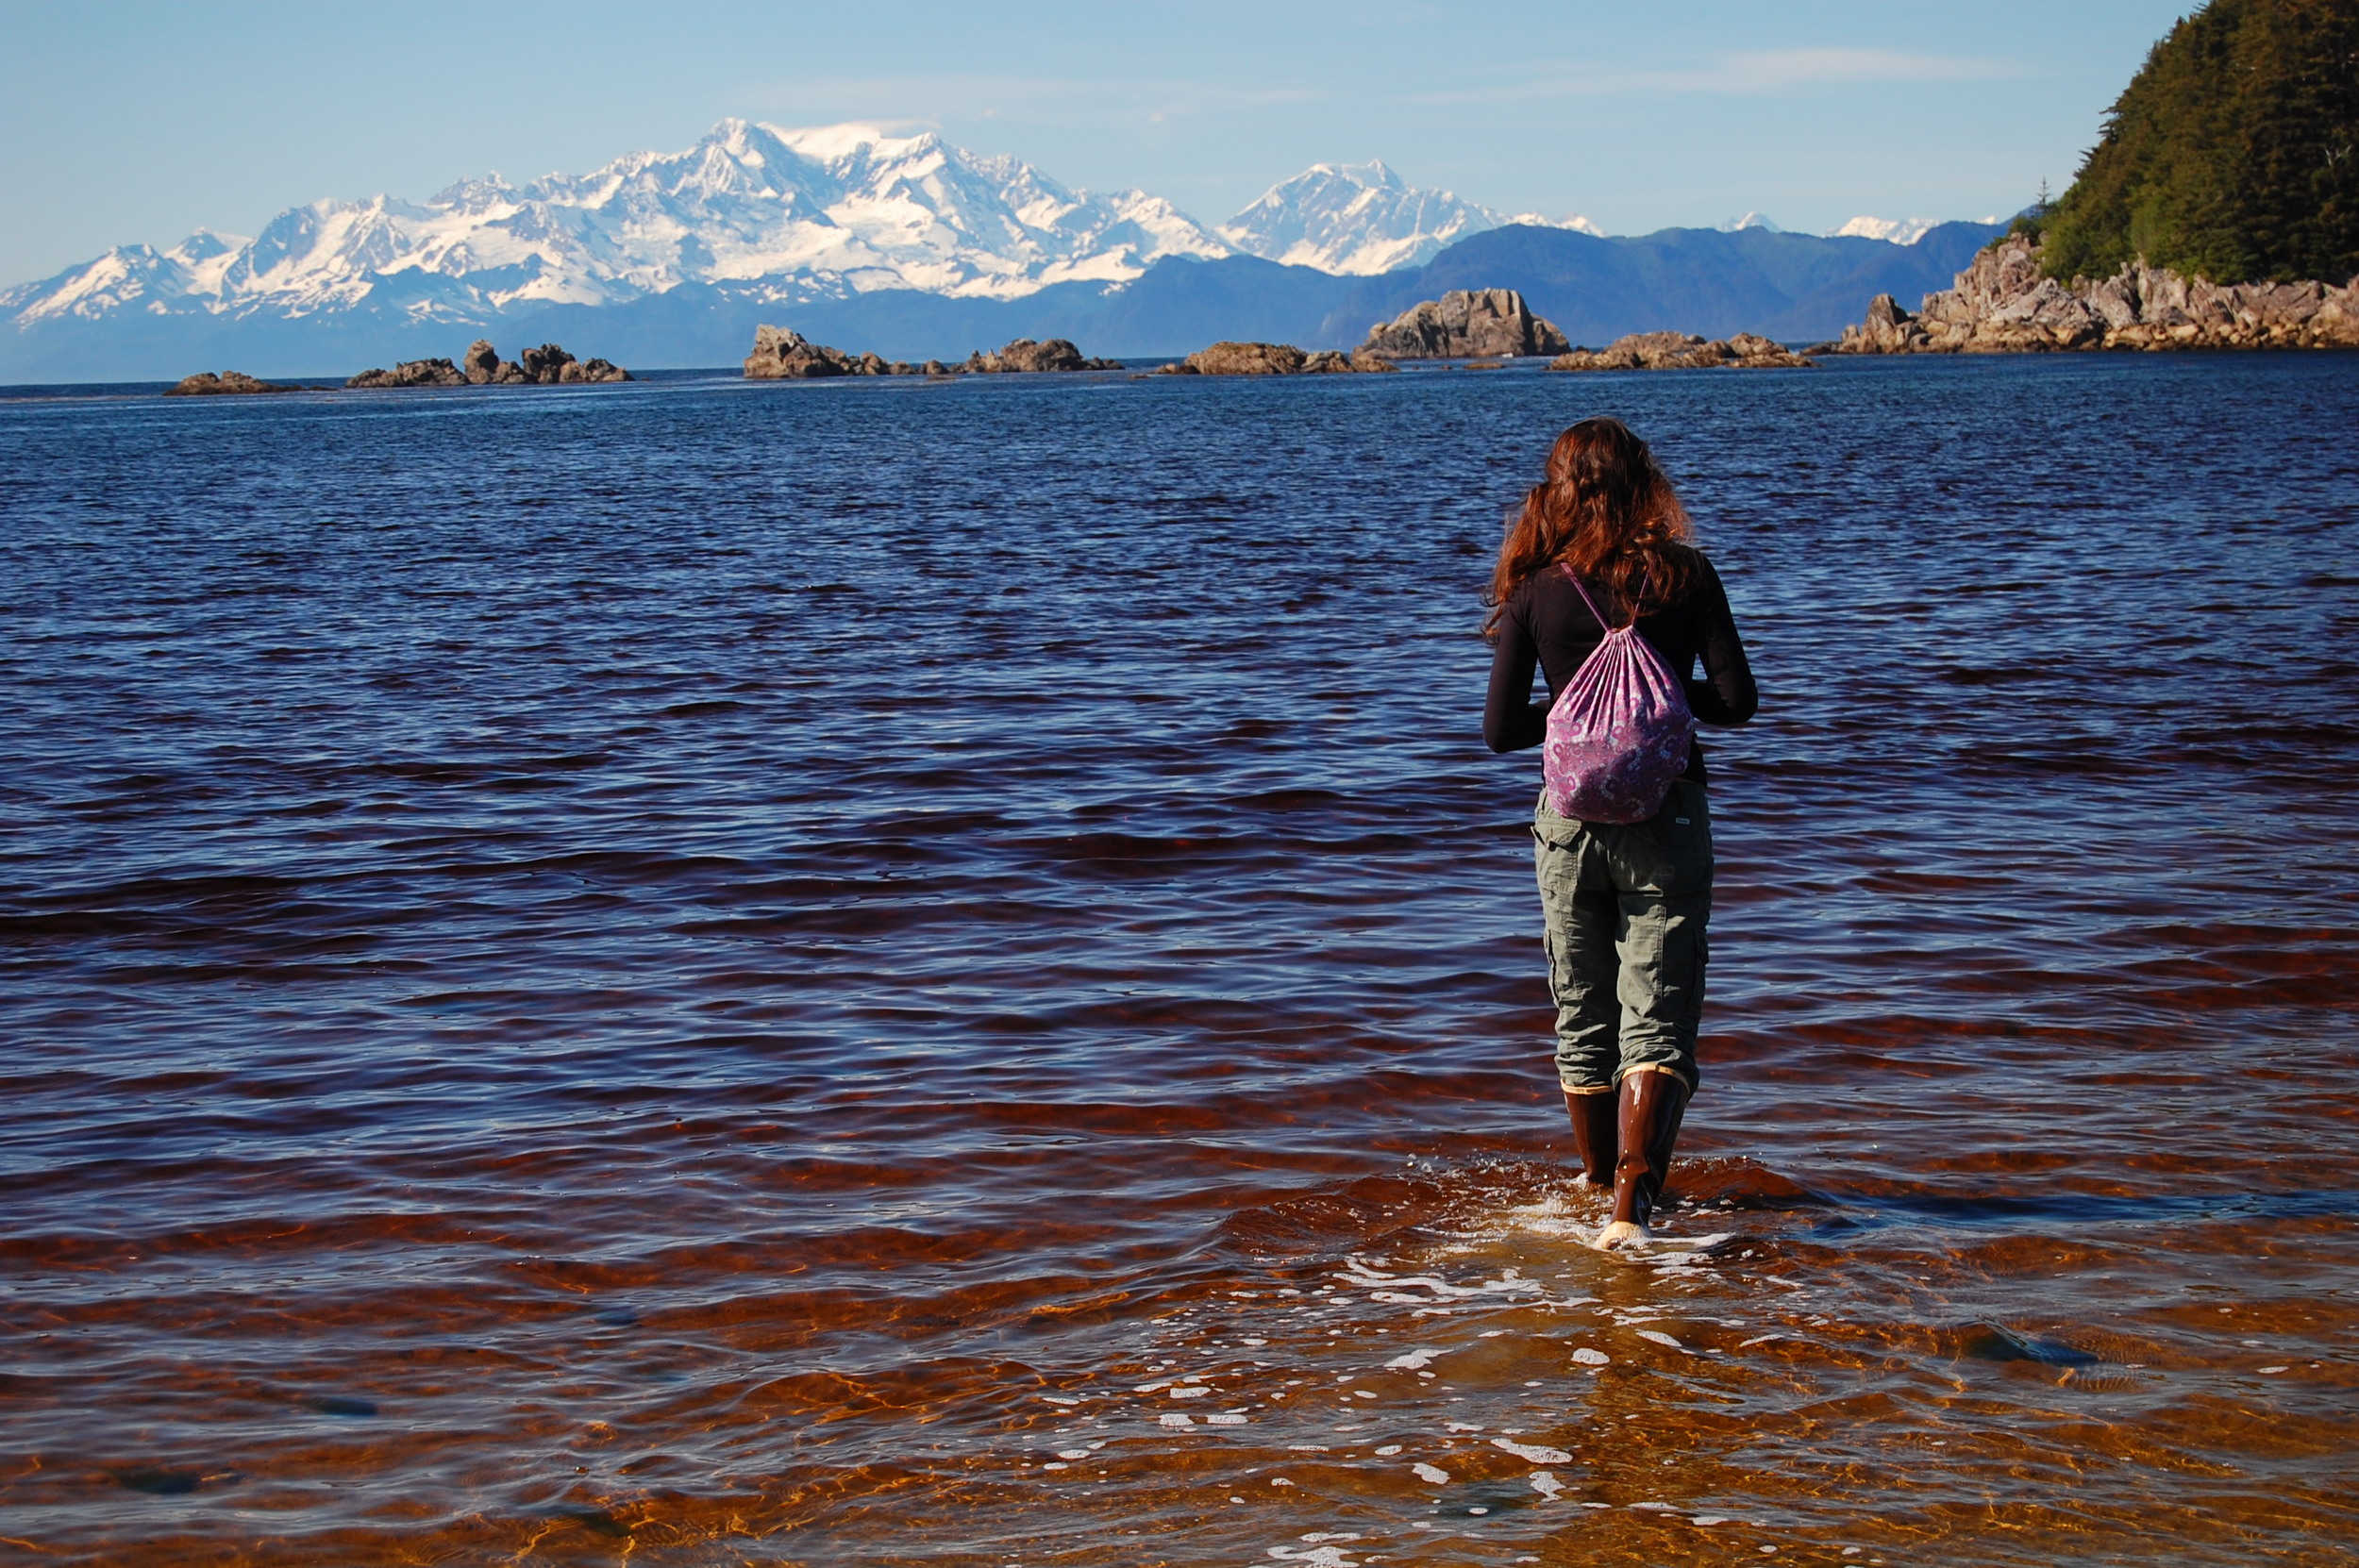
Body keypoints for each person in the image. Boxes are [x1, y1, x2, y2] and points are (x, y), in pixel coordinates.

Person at [1482, 418, 1757, 1250]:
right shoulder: (1685, 574)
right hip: (1667, 814)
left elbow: (1499, 731)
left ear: (1561, 489)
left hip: (1568, 827)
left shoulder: (1536, 587)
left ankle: (1598, 1180)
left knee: (1584, 1015)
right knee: (1659, 1016)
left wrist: (1580, 712)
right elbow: (1738, 702)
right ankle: (1632, 1210)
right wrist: (1659, 706)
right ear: (1645, 484)